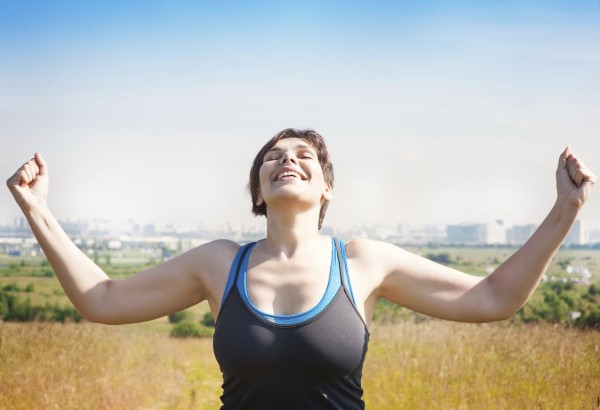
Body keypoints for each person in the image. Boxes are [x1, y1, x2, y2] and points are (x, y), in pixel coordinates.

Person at [6, 128, 596, 409]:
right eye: (273, 157)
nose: (287, 160)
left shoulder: (362, 261)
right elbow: (103, 300)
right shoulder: (218, 263)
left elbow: (494, 297)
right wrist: (36, 210)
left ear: (326, 186)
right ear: (258, 190)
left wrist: (565, 209)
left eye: (304, 156)